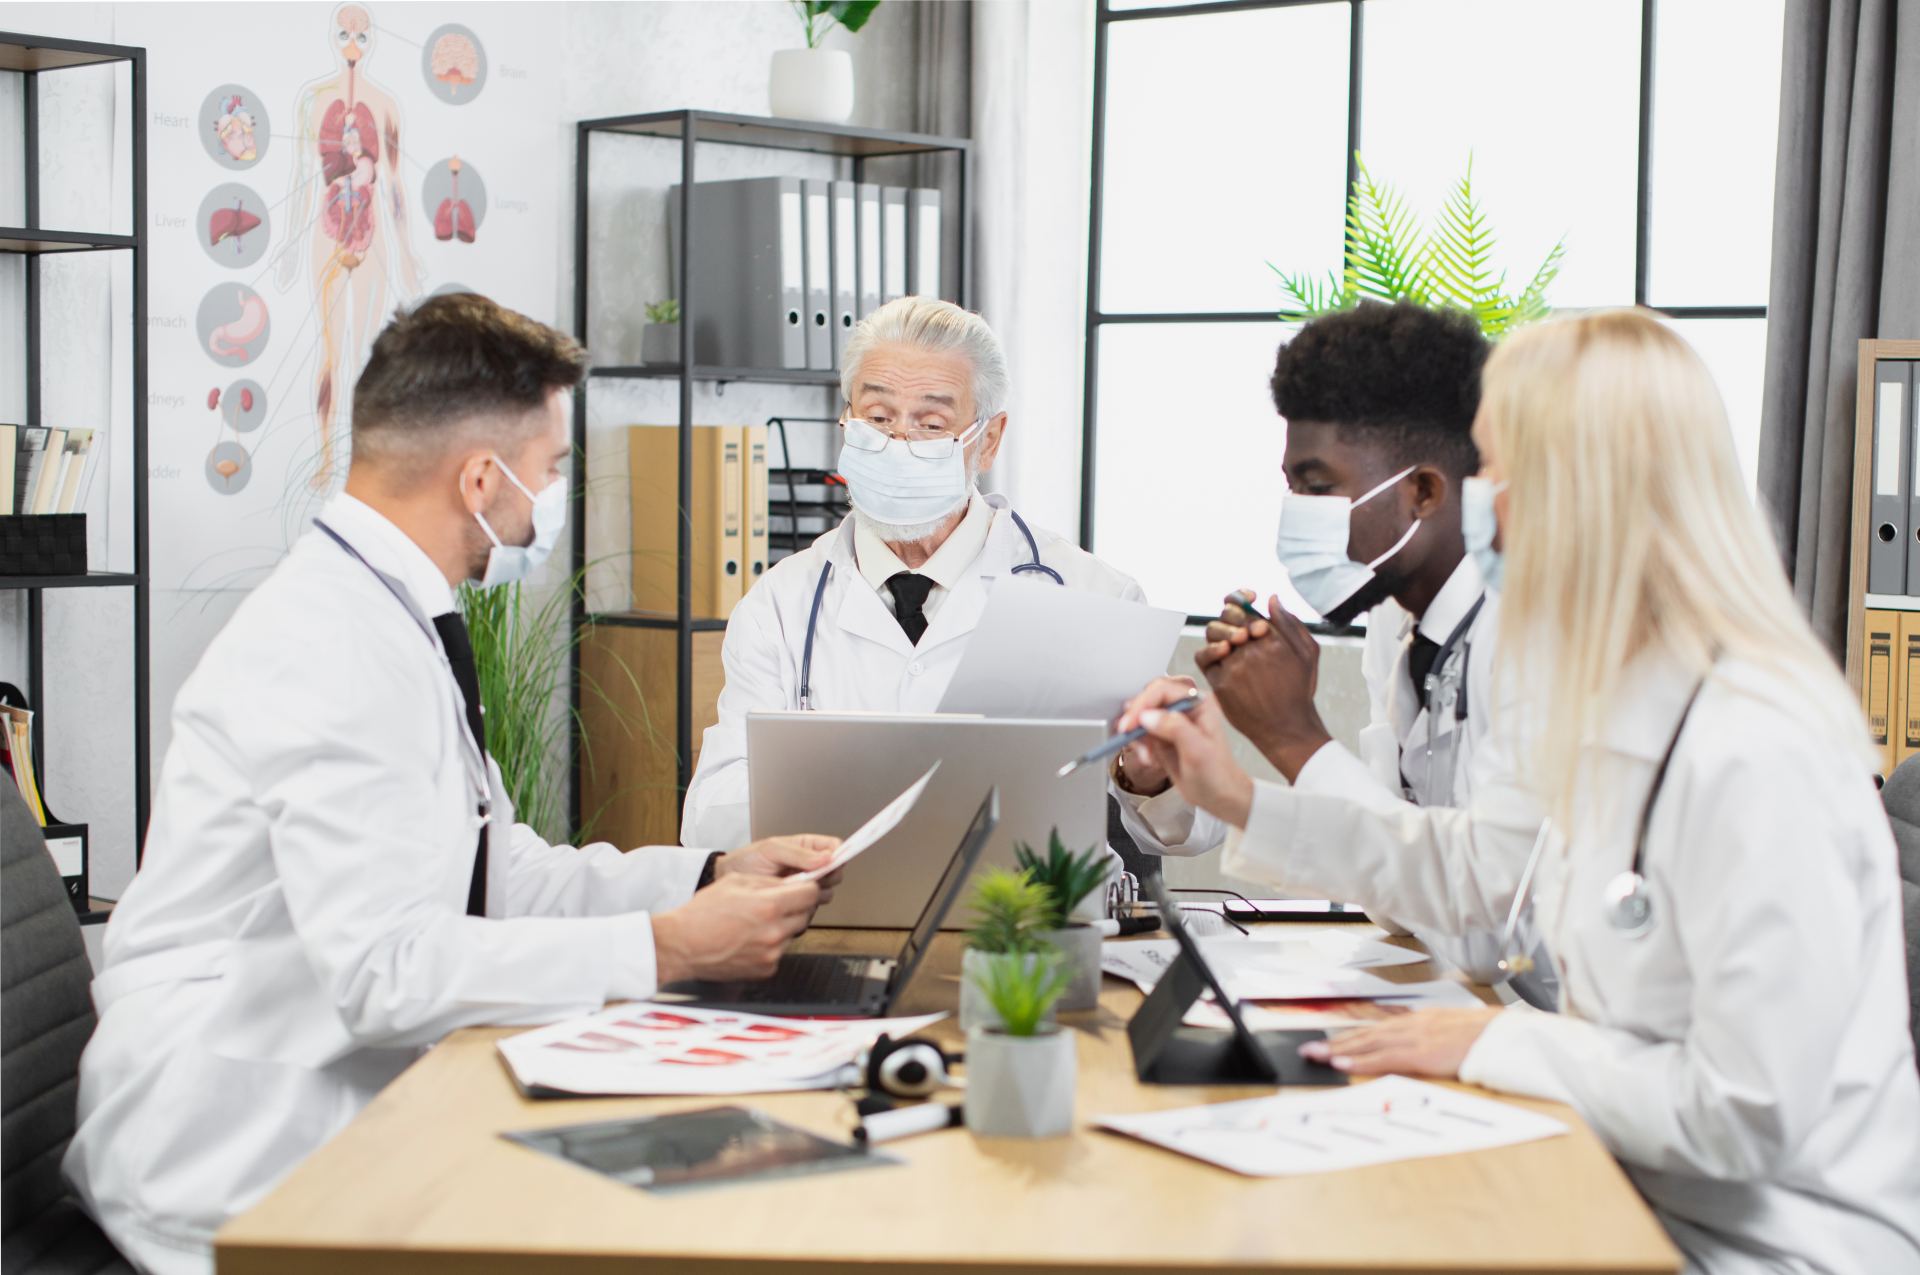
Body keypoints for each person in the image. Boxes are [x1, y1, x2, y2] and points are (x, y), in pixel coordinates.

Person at [65, 294, 842, 1275]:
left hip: (338, 1097)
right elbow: (386, 973)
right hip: (233, 1149)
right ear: (482, 478)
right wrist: (667, 948)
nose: (551, 499)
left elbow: (495, 868)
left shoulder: (387, 612)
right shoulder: (329, 647)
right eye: (553, 471)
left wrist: (705, 876)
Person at [1128, 309, 1920, 1271]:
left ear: (1588, 495)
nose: (1474, 504)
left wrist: (1483, 1044)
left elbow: (1745, 1115)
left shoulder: (1757, 743)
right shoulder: (1623, 690)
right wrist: (1243, 796)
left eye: (1495, 473)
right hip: (1620, 1177)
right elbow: (1484, 869)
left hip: (1766, 1241)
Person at [681, 295, 1221, 863]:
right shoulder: (781, 605)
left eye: (931, 423)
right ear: (846, 421)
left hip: (1025, 931)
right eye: (878, 419)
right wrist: (859, 803)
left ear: (987, 440)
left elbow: (1193, 832)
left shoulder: (1090, 594)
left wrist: (1151, 776)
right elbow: (708, 819)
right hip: (834, 915)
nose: (898, 443)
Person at [1119, 301, 1552, 1003]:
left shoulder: (1534, 636)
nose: (1297, 514)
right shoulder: (1398, 623)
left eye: (1319, 487)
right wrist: (1227, 773)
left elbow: (1486, 926)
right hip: (1462, 1010)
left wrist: (1294, 735)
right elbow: (1397, 897)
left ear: (1422, 491)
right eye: (1292, 486)